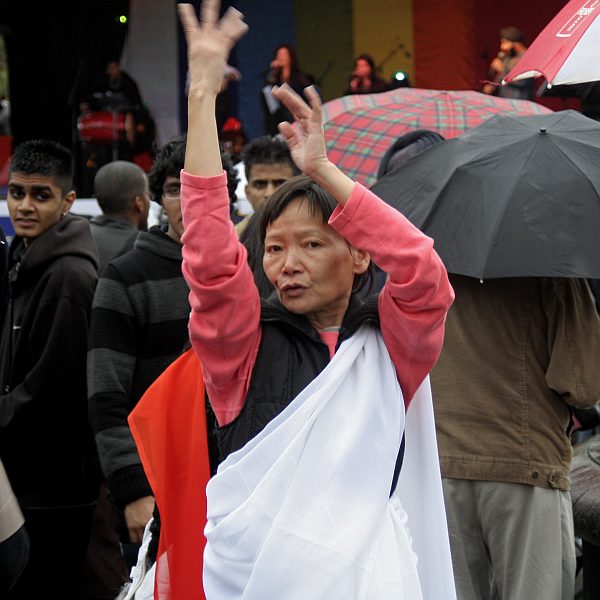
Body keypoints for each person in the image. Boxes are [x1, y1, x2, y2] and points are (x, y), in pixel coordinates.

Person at [178, 3, 456, 598]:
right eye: (274, 249)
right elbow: (207, 260)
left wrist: (325, 171)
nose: (288, 263)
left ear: (359, 256)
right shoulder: (242, 350)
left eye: (311, 243)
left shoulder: (391, 349)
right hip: (252, 579)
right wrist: (202, 95)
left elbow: (422, 269)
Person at [430, 275, 600, 600]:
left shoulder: (431, 261)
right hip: (526, 464)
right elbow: (582, 385)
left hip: (441, 461)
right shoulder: (554, 273)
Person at [0, 139, 100, 599]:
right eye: (16, 192)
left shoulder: (68, 277)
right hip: (24, 474)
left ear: (67, 201)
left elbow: (53, 390)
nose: (24, 206)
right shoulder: (22, 257)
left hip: (55, 486)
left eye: (40, 195)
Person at [87, 138, 191, 570]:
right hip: (156, 488)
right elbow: (106, 395)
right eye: (174, 188)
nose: (188, 199)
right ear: (156, 200)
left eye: (201, 186)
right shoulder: (126, 276)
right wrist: (131, 490)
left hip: (233, 486)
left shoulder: (251, 268)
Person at [91, 160, 151, 272]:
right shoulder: (143, 249)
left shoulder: (79, 238)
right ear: (139, 203)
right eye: (147, 194)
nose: (149, 200)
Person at [234, 135, 296, 234]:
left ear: (298, 189)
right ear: (247, 191)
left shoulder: (321, 233)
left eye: (280, 184)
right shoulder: (232, 242)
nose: (269, 193)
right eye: (259, 184)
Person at [262, 44, 314, 135]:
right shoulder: (274, 81)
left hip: (299, 122)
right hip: (279, 124)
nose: (279, 57)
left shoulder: (300, 80)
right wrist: (273, 72)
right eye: (278, 54)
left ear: (290, 58)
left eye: (283, 54)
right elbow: (268, 100)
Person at [482, 26, 534, 100]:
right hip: (505, 101)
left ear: (516, 43)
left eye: (504, 43)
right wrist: (493, 86)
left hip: (520, 102)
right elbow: (501, 78)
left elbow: (522, 81)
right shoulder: (508, 57)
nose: (502, 47)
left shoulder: (527, 57)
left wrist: (502, 69)